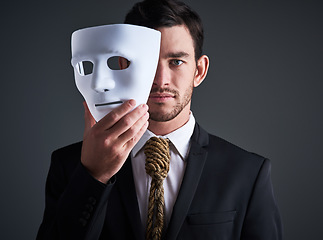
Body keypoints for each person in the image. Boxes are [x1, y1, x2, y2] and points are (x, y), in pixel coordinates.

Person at [37, 0, 283, 239]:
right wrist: (94, 176)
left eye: (176, 61)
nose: (161, 79)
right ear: (123, 65)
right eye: (147, 62)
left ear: (199, 71)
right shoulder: (70, 166)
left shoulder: (247, 172)